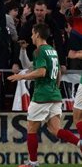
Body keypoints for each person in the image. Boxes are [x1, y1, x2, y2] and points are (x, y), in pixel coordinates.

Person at [7, 24, 82, 166]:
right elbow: (58, 72)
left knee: (31, 129)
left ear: (37, 34)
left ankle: (32, 163)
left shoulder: (39, 51)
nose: (31, 36)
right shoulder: (52, 51)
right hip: (55, 95)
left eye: (32, 33)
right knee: (55, 129)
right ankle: (79, 143)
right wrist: (55, 88)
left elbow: (41, 72)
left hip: (42, 96)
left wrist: (21, 77)